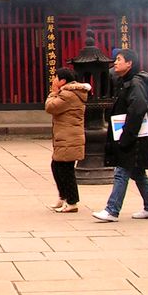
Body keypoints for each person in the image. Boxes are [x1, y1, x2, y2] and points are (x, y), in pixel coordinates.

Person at [93, 48, 148, 223]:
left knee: (121, 171)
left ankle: (112, 210)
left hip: (133, 137)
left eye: (119, 59)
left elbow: (138, 109)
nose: (115, 62)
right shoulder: (126, 82)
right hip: (132, 135)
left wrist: (127, 135)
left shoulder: (135, 84)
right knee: (137, 172)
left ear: (129, 63)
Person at [45, 66, 89, 213]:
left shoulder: (68, 95)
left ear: (63, 80)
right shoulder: (69, 92)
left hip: (69, 137)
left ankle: (72, 201)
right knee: (57, 166)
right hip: (66, 136)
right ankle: (64, 196)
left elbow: (50, 107)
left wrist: (53, 92)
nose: (54, 80)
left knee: (66, 169)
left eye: (56, 77)